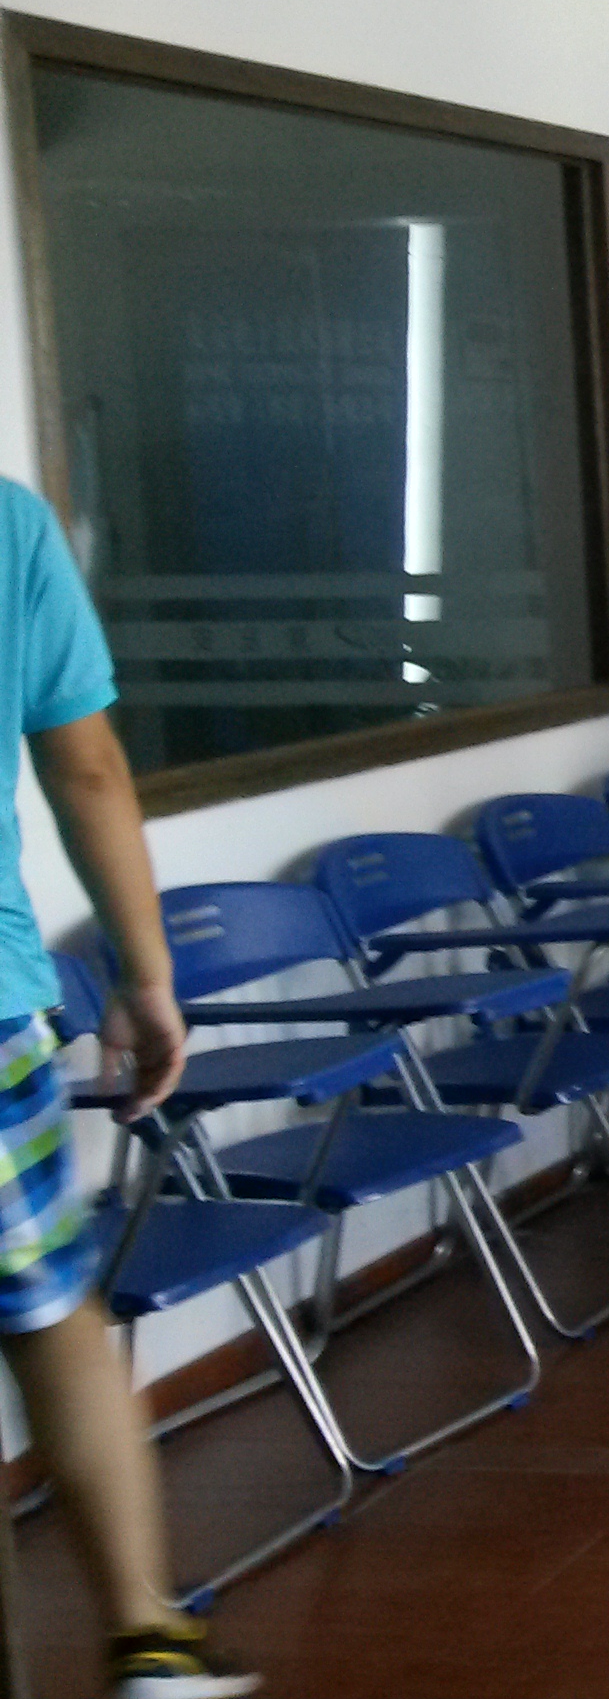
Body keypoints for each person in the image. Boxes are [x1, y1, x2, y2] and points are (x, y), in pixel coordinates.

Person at [0, 477, 260, 1696]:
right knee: (51, 1316)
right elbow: (88, 768)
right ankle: (146, 1638)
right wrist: (144, 975)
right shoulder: (7, 523)